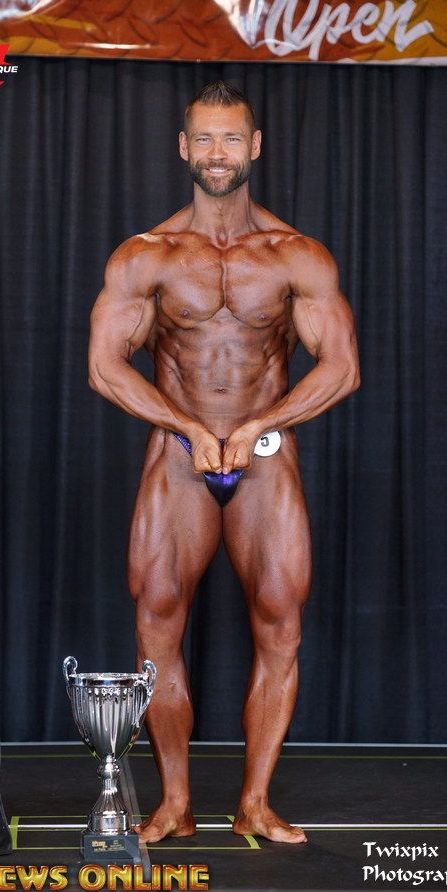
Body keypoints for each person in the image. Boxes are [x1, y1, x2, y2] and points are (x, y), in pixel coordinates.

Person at [88, 81, 360, 844]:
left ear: (255, 147)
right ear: (184, 147)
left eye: (231, 139)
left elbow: (341, 368)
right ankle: (174, 803)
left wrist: (261, 423)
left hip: (264, 458)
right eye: (204, 139)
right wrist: (183, 424)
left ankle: (255, 803)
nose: (217, 153)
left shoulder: (296, 255)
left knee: (281, 623)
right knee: (156, 622)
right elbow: (105, 367)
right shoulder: (147, 255)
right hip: (178, 456)